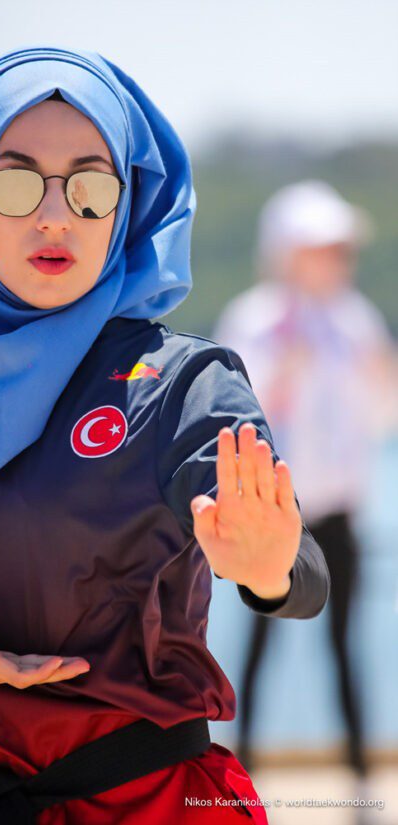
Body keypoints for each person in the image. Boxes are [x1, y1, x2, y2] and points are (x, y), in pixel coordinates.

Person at [0, 47, 330, 824]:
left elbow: (299, 570)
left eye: (90, 186)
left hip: (159, 804)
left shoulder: (180, 384)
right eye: (16, 182)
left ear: (126, 205)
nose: (55, 214)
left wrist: (267, 569)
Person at [214, 181, 396, 787]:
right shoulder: (255, 319)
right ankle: (243, 770)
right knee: (260, 644)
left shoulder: (355, 320)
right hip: (273, 511)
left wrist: (381, 374)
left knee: (345, 646)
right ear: (287, 252)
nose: (337, 260)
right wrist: (283, 371)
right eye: (323, 248)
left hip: (338, 511)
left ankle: (361, 777)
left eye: (340, 249)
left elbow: (381, 416)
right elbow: (232, 414)